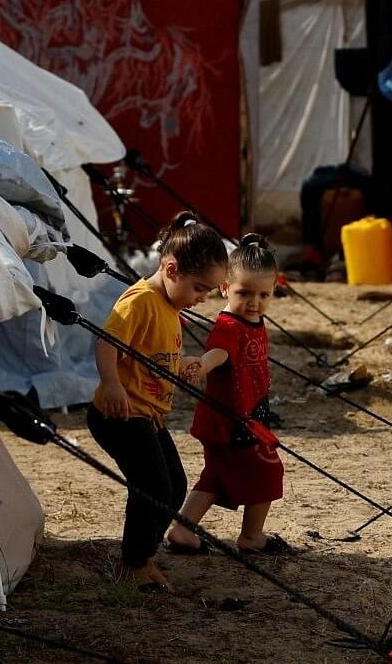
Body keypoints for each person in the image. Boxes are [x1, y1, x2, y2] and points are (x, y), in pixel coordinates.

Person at [86, 212, 228, 594]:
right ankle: (133, 562)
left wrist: (181, 366)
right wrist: (112, 384)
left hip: (147, 415)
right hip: (119, 414)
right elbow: (106, 342)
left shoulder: (169, 306)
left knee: (174, 486)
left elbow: (152, 354)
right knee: (151, 487)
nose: (201, 299)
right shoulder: (140, 301)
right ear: (171, 268)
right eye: (199, 288)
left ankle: (143, 553)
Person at [165, 234, 290, 555]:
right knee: (268, 470)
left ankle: (183, 530)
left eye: (264, 294)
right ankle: (252, 536)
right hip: (232, 422)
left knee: (215, 475)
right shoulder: (229, 326)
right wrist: (202, 365)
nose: (255, 302)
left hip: (242, 417)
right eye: (244, 293)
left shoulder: (254, 319)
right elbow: (219, 352)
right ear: (224, 288)